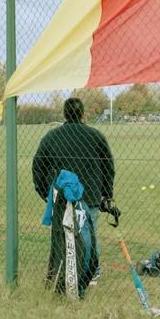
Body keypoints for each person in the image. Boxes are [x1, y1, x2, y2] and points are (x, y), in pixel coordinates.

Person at [32, 97, 115, 282]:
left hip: (61, 196)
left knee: (62, 235)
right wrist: (107, 195)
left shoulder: (51, 137)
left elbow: (38, 166)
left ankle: (66, 269)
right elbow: (108, 167)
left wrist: (45, 192)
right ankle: (90, 272)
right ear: (83, 114)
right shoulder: (95, 136)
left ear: (64, 114)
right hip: (90, 196)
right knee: (88, 234)